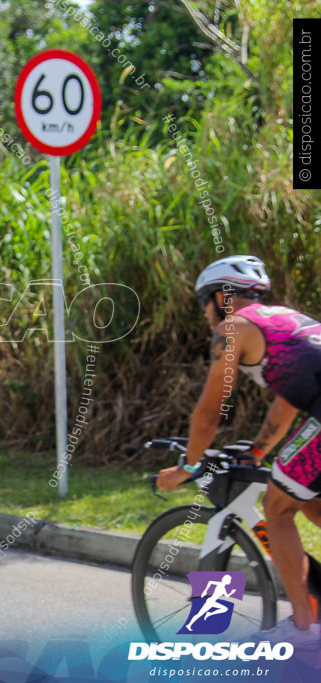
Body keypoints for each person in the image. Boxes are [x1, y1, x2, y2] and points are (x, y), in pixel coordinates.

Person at [158, 255, 321, 645]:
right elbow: (286, 403)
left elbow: (208, 413)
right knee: (312, 506)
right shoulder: (286, 319)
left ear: (223, 298)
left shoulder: (234, 328)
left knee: (277, 508)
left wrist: (188, 466)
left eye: (205, 303)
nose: (205, 315)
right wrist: (259, 453)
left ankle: (304, 628)